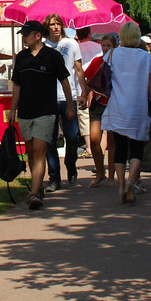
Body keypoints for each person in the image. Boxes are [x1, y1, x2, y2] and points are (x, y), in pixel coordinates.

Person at [7, 20, 76, 210]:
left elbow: (65, 82)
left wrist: (70, 106)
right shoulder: (21, 57)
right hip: (25, 112)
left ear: (37, 36)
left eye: (26, 34)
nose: (23, 37)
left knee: (39, 152)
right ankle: (37, 186)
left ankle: (35, 192)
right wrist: (13, 109)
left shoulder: (52, 56)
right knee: (30, 152)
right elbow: (17, 86)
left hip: (46, 112)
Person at [101, 22, 151, 205]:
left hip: (117, 106)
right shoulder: (146, 56)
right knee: (136, 147)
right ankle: (131, 183)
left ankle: (120, 185)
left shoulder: (111, 54)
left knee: (118, 147)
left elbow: (104, 78)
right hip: (138, 107)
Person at [43, 13, 88, 189]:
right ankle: (54, 177)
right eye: (52, 24)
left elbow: (78, 69)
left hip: (68, 96)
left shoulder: (71, 44)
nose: (55, 27)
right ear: (47, 27)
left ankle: (71, 165)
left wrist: (83, 92)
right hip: (49, 98)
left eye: (58, 24)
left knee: (72, 136)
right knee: (50, 139)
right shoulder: (43, 46)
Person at [83, 32, 117, 187]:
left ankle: (111, 175)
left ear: (115, 47)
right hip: (98, 102)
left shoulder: (118, 62)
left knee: (112, 141)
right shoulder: (96, 61)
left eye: (108, 46)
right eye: (103, 45)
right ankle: (100, 171)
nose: (105, 48)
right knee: (95, 139)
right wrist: (85, 95)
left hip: (113, 103)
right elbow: (87, 80)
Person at [75, 26, 103, 158]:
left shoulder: (75, 47)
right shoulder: (97, 47)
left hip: (79, 83)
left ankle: (89, 146)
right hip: (95, 83)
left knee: (83, 115)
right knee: (96, 115)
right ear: (89, 34)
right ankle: (98, 144)